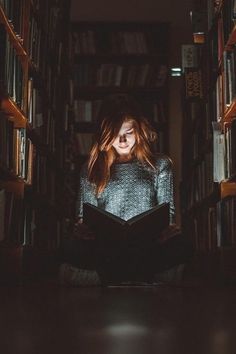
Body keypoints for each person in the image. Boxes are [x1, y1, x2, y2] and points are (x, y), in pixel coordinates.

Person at [58, 94, 193, 286]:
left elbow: (167, 213)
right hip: (106, 247)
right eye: (115, 133)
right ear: (105, 134)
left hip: (147, 246)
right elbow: (84, 215)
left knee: (183, 246)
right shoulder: (91, 168)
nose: (122, 140)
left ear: (139, 131)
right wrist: (81, 228)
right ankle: (147, 277)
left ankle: (105, 278)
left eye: (128, 132)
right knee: (69, 247)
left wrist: (168, 230)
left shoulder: (160, 165)